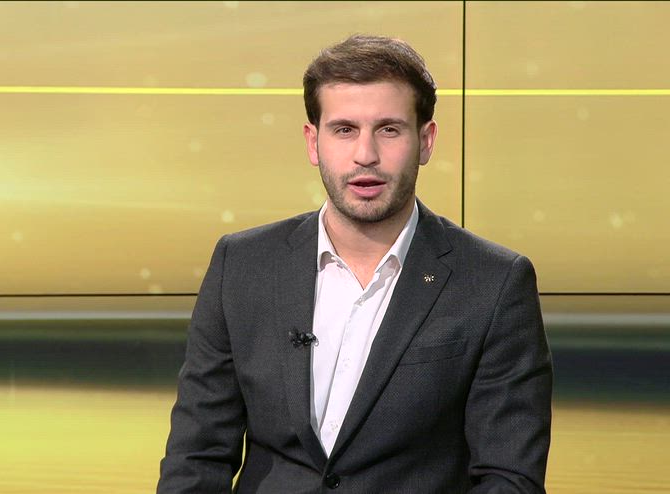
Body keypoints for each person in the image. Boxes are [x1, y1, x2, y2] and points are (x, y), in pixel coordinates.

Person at [157, 34, 552, 493]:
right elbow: (196, 457)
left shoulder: (494, 283)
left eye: (389, 129)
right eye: (344, 129)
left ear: (425, 141)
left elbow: (509, 478)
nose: (366, 155)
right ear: (313, 142)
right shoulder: (243, 265)